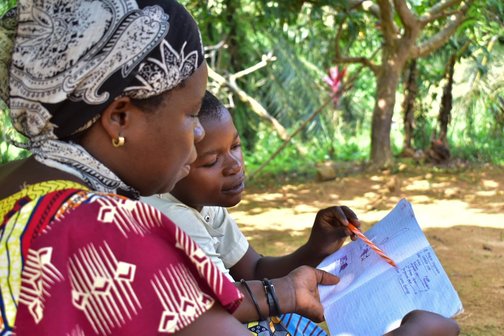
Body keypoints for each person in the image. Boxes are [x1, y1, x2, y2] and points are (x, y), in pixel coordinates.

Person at [0, 1, 337, 334]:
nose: (200, 131)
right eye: (191, 113)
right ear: (119, 118)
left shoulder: (14, 185)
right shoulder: (105, 228)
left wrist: (285, 290)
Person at [143, 91, 461, 336]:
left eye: (236, 146)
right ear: (173, 163)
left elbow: (253, 270)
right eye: (211, 161)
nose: (235, 165)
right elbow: (217, 311)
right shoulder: (171, 218)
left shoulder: (203, 205)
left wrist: (316, 247)